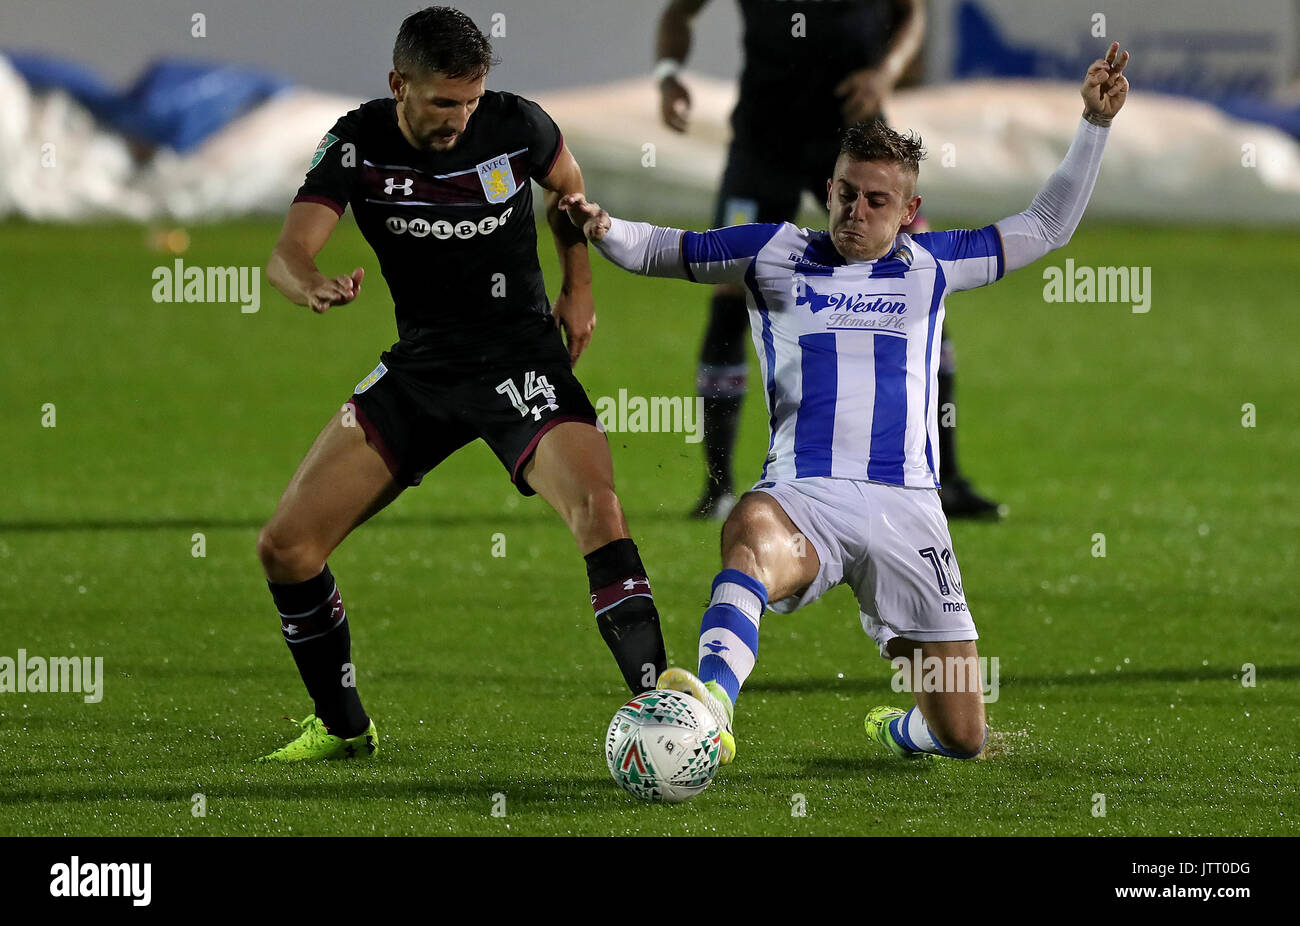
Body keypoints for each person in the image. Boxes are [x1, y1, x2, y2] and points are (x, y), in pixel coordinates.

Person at [564, 44, 1130, 763]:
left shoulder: (932, 266)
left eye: (876, 200)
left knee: (963, 736)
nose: (855, 210)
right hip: (806, 499)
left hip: (910, 511)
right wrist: (604, 228)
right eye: (844, 193)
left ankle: (903, 730)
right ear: (827, 190)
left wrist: (1094, 124)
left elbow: (1045, 225)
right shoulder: (775, 252)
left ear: (909, 210)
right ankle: (708, 708)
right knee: (747, 533)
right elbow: (668, 248)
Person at [255, 6, 668, 762]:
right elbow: (287, 250)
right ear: (398, 84)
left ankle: (662, 714)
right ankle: (344, 729)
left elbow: (568, 191)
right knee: (286, 549)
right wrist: (308, 282)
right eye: (444, 102)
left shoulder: (518, 127)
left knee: (599, 511)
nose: (459, 118)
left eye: (471, 100)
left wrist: (579, 290)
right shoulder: (357, 144)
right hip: (422, 369)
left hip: (520, 359)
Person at [655, 0, 1002, 520]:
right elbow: (679, 13)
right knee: (728, 290)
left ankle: (943, 478)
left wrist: (885, 74)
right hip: (764, 140)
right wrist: (668, 75)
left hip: (857, 140)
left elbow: (913, 12)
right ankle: (718, 488)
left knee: (919, 283)